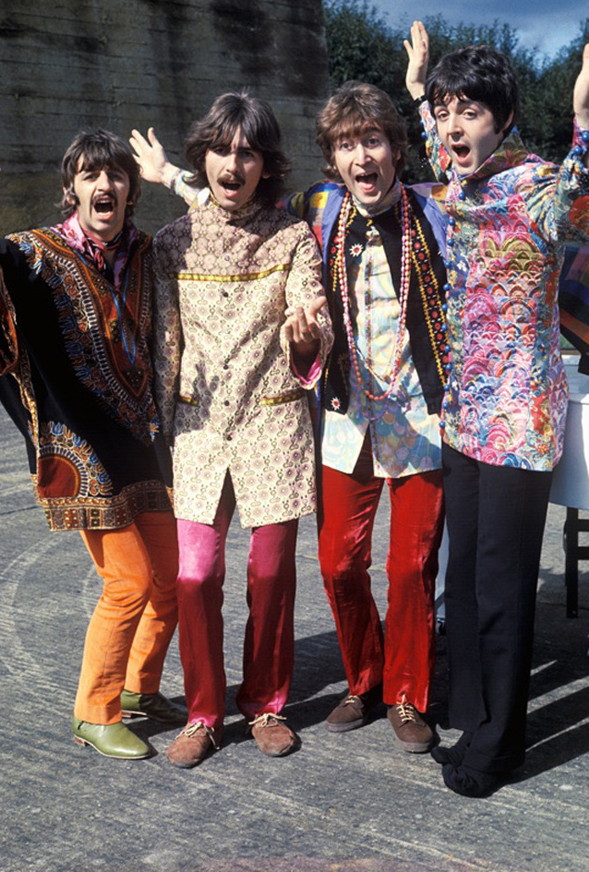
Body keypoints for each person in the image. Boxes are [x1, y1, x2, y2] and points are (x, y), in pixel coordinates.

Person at [132, 80, 450, 754]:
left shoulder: (403, 216)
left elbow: (312, 308)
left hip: (367, 419)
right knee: (260, 570)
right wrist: (167, 178)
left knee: (383, 568)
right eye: (345, 144)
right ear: (330, 158)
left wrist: (306, 336)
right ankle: (241, 704)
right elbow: (215, 217)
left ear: (395, 148)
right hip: (281, 421)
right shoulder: (292, 216)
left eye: (372, 140)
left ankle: (357, 697)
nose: (360, 156)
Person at [404, 21, 589, 796]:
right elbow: (436, 140)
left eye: (470, 111)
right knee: (467, 576)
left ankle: (501, 746)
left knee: (503, 586)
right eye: (448, 111)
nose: (453, 126)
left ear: (504, 119)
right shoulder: (458, 182)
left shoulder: (538, 187)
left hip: (520, 422)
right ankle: (474, 716)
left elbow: (580, 190)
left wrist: (584, 120)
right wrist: (421, 90)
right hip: (465, 415)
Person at [142, 91, 333, 769]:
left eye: (247, 153)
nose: (233, 164)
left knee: (271, 570)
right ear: (203, 157)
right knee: (195, 575)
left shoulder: (291, 236)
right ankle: (203, 711)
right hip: (198, 428)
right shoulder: (173, 241)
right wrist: (160, 430)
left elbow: (313, 309)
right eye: (221, 151)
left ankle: (266, 703)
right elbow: (165, 341)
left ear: (266, 164)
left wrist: (306, 336)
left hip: (272, 421)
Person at [0, 130, 185, 761]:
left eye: (115, 174)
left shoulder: (149, 253)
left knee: (172, 578)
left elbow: (223, 225)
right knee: (128, 581)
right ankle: (93, 712)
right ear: (70, 188)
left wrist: (176, 177)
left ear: (130, 188)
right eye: (89, 175)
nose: (104, 185)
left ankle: (139, 688)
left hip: (142, 443)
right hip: (80, 450)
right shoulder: (33, 255)